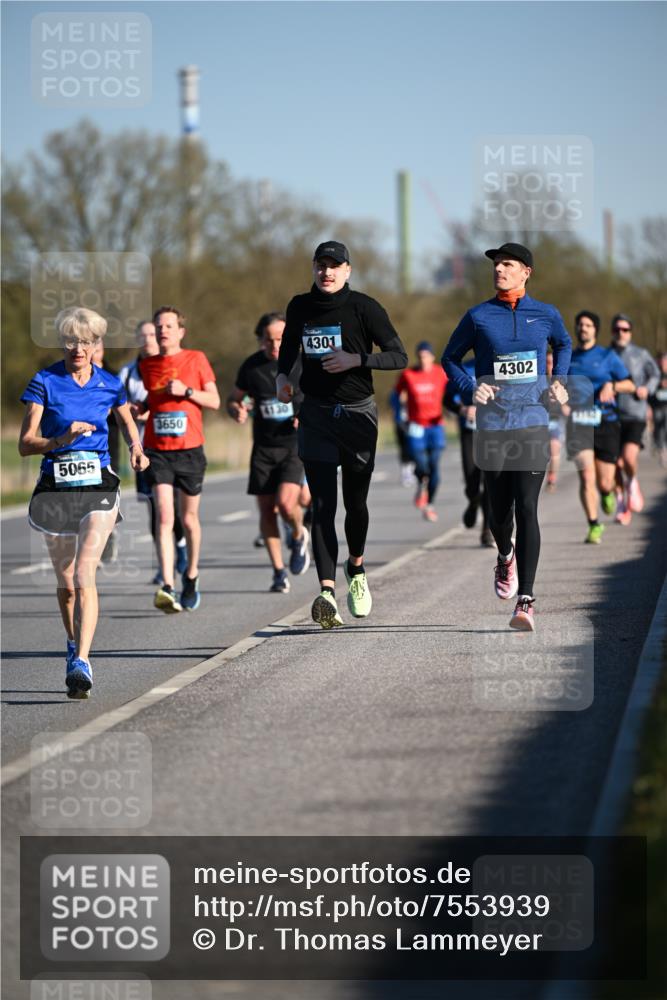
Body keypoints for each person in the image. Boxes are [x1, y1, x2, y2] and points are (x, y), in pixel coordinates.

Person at [18, 306, 149, 698]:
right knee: (67, 585)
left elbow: (125, 420)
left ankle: (83, 661)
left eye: (87, 341)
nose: (79, 348)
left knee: (83, 575)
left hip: (99, 486)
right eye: (72, 340)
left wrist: (136, 448)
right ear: (62, 342)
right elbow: (25, 444)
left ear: (97, 345)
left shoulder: (110, 384)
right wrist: (61, 440)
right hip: (56, 487)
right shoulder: (44, 382)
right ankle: (73, 643)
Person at [277, 240, 408, 629]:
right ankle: (327, 592)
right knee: (322, 506)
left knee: (355, 505)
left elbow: (398, 355)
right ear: (314, 269)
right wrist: (283, 379)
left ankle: (357, 568)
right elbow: (287, 351)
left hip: (356, 417)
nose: (327, 272)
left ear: (348, 270)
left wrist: (358, 359)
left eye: (335, 266)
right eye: (321, 265)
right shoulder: (300, 307)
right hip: (316, 414)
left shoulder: (365, 307)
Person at [442, 242, 571, 631]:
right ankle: (504, 553)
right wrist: (470, 387)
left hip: (532, 421)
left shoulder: (546, 315)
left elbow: (563, 344)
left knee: (527, 508)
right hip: (493, 425)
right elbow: (450, 358)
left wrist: (558, 381)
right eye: (497, 264)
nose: (499, 269)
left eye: (507, 264)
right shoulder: (478, 316)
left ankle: (526, 600)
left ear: (525, 272)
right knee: (499, 513)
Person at [139, 306, 220, 612]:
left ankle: (192, 574)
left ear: (180, 331)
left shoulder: (196, 359)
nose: (163, 331)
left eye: (169, 326)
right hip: (157, 450)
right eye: (159, 326)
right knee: (163, 516)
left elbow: (214, 400)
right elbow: (153, 402)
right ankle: (168, 584)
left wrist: (187, 391)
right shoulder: (147, 365)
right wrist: (141, 409)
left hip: (190, 450)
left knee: (188, 519)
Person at [227, 311, 310, 593]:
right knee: (266, 510)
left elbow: (324, 396)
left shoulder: (304, 361)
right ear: (260, 340)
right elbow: (234, 399)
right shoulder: (251, 367)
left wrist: (307, 415)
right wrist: (236, 410)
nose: (275, 346)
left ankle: (299, 534)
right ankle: (278, 571)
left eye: (281, 339)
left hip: (294, 446)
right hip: (263, 447)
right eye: (269, 340)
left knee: (287, 504)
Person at [118, 320, 188, 583]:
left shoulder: (171, 366)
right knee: (154, 509)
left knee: (175, 510)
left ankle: (180, 546)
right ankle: (163, 566)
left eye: (152, 334)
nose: (149, 339)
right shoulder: (126, 374)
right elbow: (117, 413)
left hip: (174, 447)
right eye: (143, 335)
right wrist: (132, 415)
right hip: (145, 450)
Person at [565, 310, 635, 543]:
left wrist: (612, 386)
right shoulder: (568, 359)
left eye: (588, 325)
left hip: (606, 422)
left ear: (595, 330)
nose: (583, 328)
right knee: (586, 476)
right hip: (579, 424)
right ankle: (594, 525)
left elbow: (630, 384)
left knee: (604, 481)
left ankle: (607, 492)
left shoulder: (607, 356)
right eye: (580, 325)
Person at [609, 313, 660, 523]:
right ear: (612, 332)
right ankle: (622, 502)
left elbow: (655, 373)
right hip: (610, 415)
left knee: (627, 459)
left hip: (635, 412)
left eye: (625, 329)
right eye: (618, 329)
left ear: (630, 332)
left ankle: (632, 482)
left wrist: (646, 389)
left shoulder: (641, 354)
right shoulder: (605, 354)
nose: (621, 333)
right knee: (615, 464)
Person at [443, 356, 494, 546]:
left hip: (492, 431)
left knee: (490, 481)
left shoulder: (499, 363)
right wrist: (462, 409)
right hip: (470, 432)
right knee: (472, 479)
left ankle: (487, 530)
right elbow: (447, 399)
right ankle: (473, 502)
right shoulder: (463, 368)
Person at [395, 341, 448, 521]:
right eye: (420, 356)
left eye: (426, 356)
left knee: (435, 468)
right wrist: (399, 415)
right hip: (416, 426)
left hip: (436, 426)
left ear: (432, 357)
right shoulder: (408, 375)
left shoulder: (440, 373)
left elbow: (452, 392)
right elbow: (395, 395)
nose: (423, 359)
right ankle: (421, 483)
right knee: (421, 463)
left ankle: (430, 503)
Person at [545, 349, 566, 492]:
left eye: (552, 362)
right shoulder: (538, 379)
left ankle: (552, 478)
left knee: (554, 449)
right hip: (538, 420)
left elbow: (570, 398)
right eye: (547, 362)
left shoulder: (562, 380)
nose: (550, 365)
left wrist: (566, 406)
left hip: (555, 420)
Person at [388, 387, 414, 486]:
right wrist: (400, 400)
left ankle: (412, 470)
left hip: (412, 422)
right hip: (400, 423)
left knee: (413, 447)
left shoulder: (413, 389)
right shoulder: (396, 392)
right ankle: (405, 473)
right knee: (403, 447)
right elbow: (392, 404)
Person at [649, 352, 667, 467]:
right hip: (657, 406)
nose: (664, 363)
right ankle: (660, 447)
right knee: (658, 429)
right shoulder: (656, 374)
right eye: (663, 361)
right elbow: (650, 390)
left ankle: (664, 450)